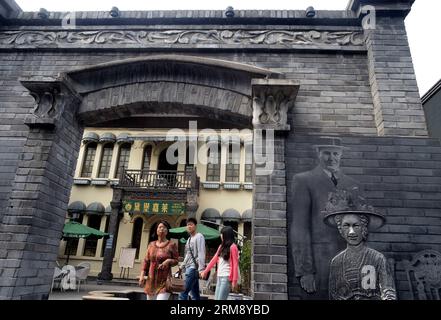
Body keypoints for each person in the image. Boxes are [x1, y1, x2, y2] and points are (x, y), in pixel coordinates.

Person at [288, 137, 362, 299]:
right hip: (320, 261)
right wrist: (305, 270)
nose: (332, 158)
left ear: (341, 155)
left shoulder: (351, 184)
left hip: (350, 260)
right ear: (318, 154)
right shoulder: (303, 180)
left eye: (336, 153)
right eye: (326, 153)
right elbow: (299, 226)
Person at [323, 189, 397, 300]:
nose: (351, 232)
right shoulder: (336, 262)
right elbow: (334, 295)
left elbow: (389, 292)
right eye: (347, 226)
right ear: (341, 230)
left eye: (356, 226)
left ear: (364, 228)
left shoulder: (377, 258)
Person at [138, 220, 179, 300]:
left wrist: (168, 261)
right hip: (151, 280)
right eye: (160, 227)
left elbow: (176, 260)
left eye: (164, 227)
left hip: (165, 281)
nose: (162, 229)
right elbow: (146, 261)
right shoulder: (151, 245)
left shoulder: (172, 245)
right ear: (156, 230)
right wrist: (142, 275)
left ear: (167, 231)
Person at [200, 226, 239, 300]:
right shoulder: (221, 247)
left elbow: (235, 265)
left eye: (222, 234)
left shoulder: (233, 247)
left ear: (227, 235)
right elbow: (214, 259)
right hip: (219, 277)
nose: (221, 236)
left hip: (226, 277)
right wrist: (205, 271)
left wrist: (234, 281)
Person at [178, 217, 206, 300]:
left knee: (183, 292)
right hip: (188, 267)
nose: (189, 226)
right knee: (195, 295)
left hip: (193, 268)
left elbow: (201, 252)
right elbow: (187, 254)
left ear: (195, 226)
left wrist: (201, 269)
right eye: (187, 225)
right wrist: (182, 266)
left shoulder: (199, 236)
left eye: (191, 224)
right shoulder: (189, 239)